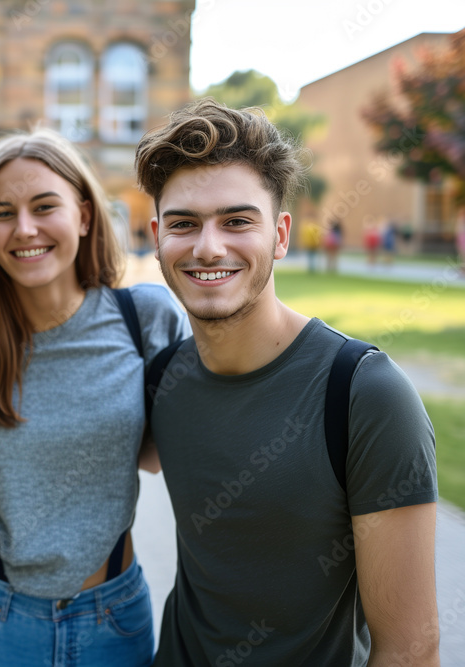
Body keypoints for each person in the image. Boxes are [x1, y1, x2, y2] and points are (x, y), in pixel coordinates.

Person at [135, 99, 439, 665]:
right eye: (183, 223)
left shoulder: (365, 394)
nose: (207, 246)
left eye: (236, 220)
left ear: (280, 233)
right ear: (157, 237)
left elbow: (410, 650)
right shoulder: (161, 380)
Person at [0, 128, 188, 666]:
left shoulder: (144, 320)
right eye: (3, 212)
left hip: (114, 614)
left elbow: (157, 457)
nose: (24, 228)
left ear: (82, 215)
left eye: (44, 205)